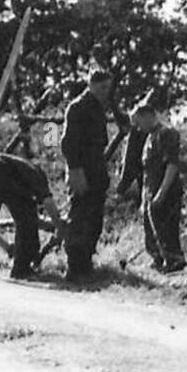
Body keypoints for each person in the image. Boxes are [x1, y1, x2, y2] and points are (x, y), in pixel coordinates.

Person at [61, 69, 113, 280]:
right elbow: (68, 143)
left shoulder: (98, 108)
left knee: (94, 219)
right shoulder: (78, 107)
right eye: (102, 87)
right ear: (91, 84)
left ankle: (85, 263)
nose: (105, 92)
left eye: (108, 88)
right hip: (83, 170)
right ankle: (74, 267)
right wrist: (75, 171)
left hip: (96, 170)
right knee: (79, 218)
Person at [132, 102, 185, 272]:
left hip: (166, 192)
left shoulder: (166, 133)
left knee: (167, 231)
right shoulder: (149, 137)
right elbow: (147, 171)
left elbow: (172, 165)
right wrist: (144, 199)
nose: (138, 128)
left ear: (148, 115)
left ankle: (174, 263)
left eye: (139, 122)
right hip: (150, 192)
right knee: (152, 233)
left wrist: (162, 192)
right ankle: (159, 261)